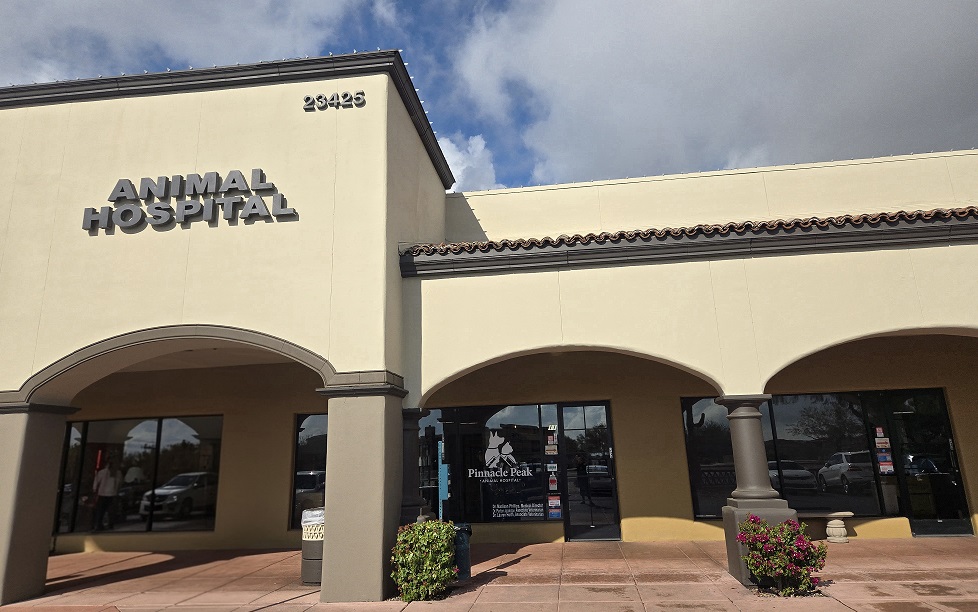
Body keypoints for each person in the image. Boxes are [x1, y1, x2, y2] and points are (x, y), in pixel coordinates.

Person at [92, 459, 121, 531]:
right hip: (112, 494)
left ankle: (99, 525)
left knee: (100, 510)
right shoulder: (117, 473)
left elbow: (96, 482)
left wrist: (94, 489)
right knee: (111, 511)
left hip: (102, 493)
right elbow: (118, 484)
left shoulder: (102, 472)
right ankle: (110, 525)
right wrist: (116, 492)